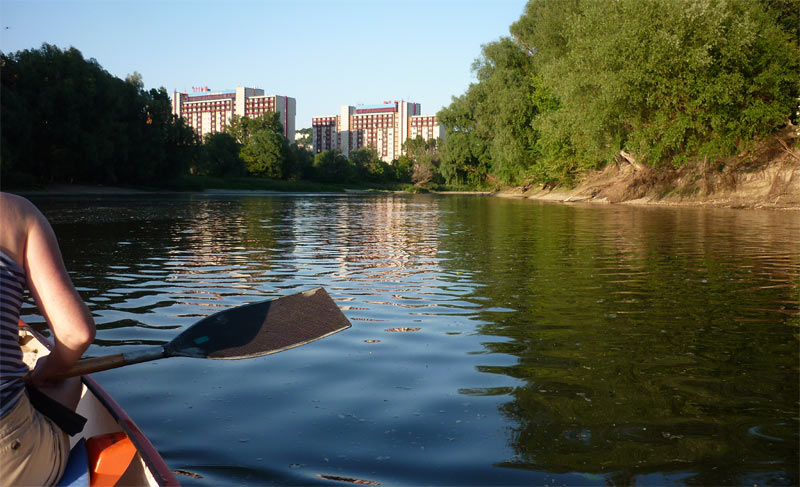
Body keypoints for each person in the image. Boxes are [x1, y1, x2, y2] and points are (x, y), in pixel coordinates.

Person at [0, 192, 96, 486]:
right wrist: (45, 371)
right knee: (70, 377)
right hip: (10, 458)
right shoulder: (15, 211)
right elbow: (75, 334)